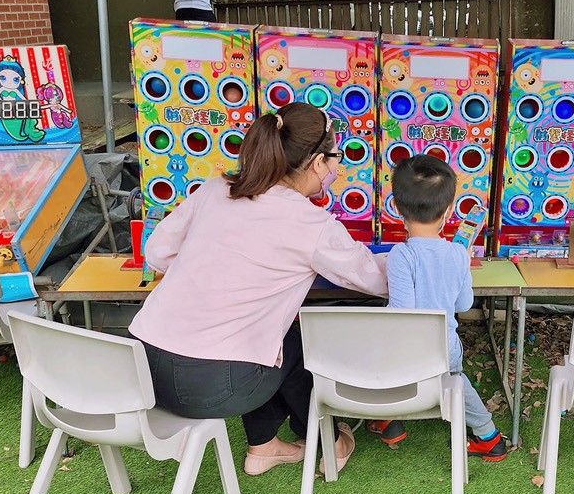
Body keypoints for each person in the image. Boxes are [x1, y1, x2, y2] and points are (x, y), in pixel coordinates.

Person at [129, 102, 385, 475]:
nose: (337, 168)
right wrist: (427, 256)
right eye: (335, 158)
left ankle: (265, 445)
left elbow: (156, 252)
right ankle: (328, 440)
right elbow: (372, 278)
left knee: (272, 339)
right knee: (298, 339)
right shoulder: (311, 223)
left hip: (141, 370)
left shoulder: (215, 190)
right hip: (216, 386)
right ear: (317, 162)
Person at [368, 155, 509, 462]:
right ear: (448, 211)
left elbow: (401, 314)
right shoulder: (458, 253)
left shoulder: (401, 256)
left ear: (396, 207)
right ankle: (488, 436)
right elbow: (464, 305)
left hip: (408, 353)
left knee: (385, 363)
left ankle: (389, 418)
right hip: (447, 348)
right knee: (456, 381)